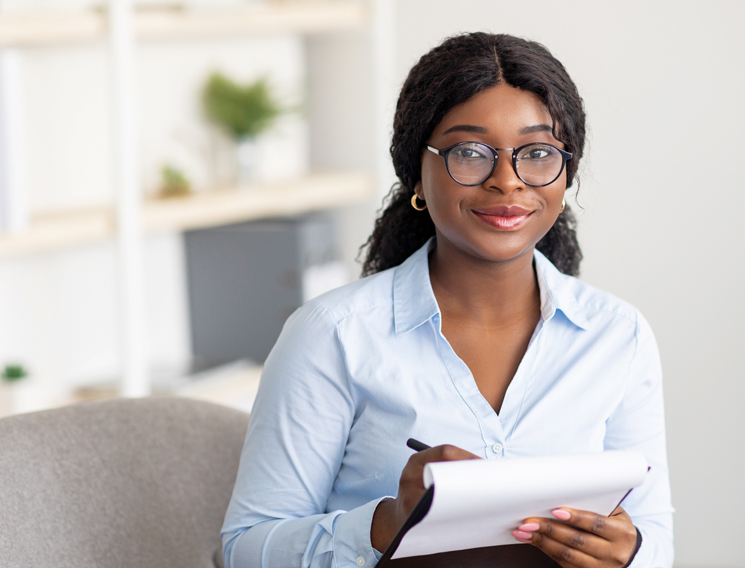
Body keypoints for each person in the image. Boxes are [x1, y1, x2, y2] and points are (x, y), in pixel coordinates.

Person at [221, 32, 673, 568]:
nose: (507, 181)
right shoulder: (332, 334)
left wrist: (629, 552)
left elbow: (654, 540)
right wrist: (386, 524)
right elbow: (244, 550)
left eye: (537, 153)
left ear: (565, 172)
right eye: (470, 152)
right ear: (417, 168)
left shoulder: (618, 334)